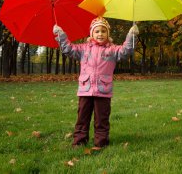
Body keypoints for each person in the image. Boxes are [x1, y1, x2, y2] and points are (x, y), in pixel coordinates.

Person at [53, 17, 139, 149]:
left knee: (102, 119)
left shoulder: (112, 50)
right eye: (97, 31)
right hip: (85, 89)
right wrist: (61, 35)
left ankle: (101, 142)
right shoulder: (83, 49)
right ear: (91, 33)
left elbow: (126, 51)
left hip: (103, 90)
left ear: (108, 34)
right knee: (82, 117)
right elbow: (68, 49)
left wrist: (132, 35)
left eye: (103, 31)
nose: (100, 34)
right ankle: (80, 141)